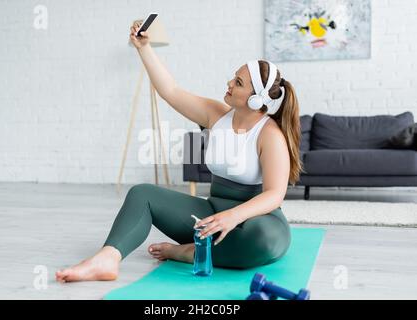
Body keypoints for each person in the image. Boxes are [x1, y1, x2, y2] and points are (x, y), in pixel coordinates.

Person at [56, 20, 303, 283]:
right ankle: (107, 258)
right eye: (234, 76)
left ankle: (187, 252)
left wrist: (233, 216)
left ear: (256, 99)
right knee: (142, 194)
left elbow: (275, 195)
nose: (230, 83)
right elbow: (170, 91)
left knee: (263, 240)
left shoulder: (270, 135)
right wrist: (144, 48)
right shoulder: (215, 113)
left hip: (255, 221)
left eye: (238, 82)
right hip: (211, 214)